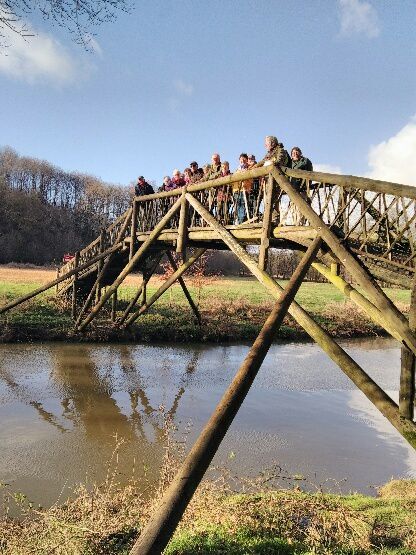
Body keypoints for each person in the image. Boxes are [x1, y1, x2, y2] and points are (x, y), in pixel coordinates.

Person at [232, 153, 252, 224]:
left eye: (244, 159)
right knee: (237, 206)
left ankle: (242, 221)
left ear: (246, 160)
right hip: (236, 190)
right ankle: (239, 221)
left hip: (244, 189)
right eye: (241, 159)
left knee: (243, 206)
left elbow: (250, 179)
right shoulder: (237, 169)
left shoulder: (249, 168)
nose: (242, 160)